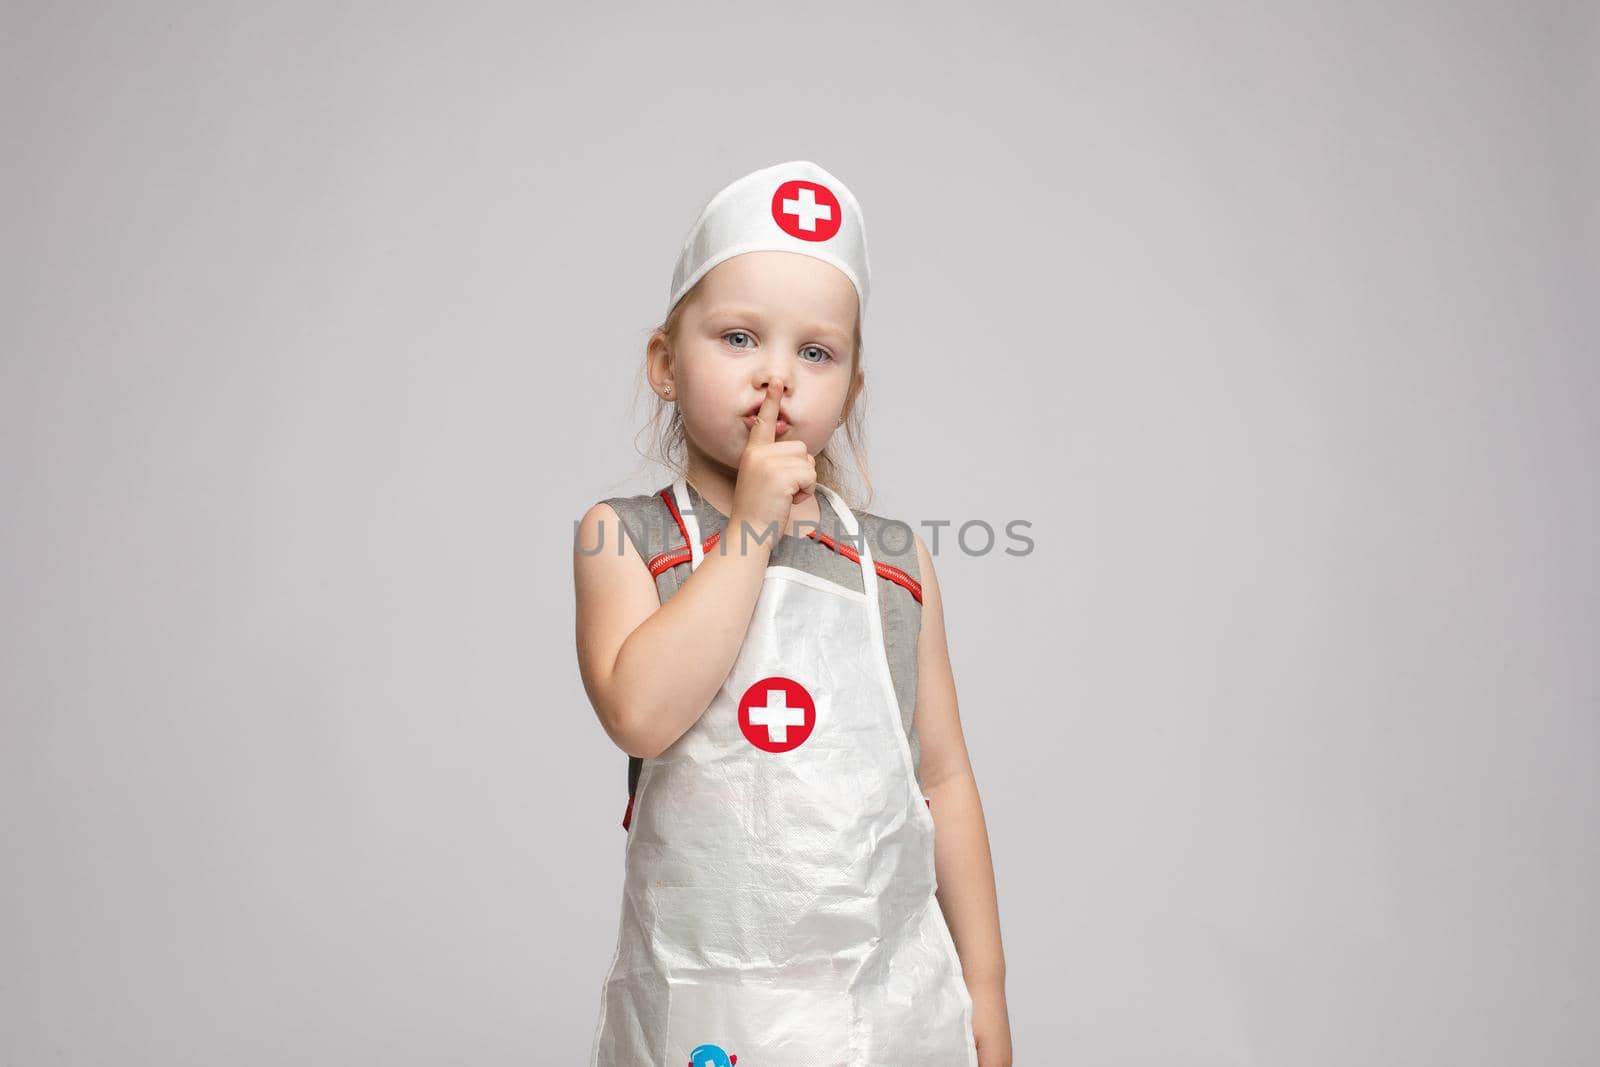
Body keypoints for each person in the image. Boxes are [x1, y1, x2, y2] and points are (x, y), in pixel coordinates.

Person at [573, 160, 1013, 1066]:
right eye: (739, 338)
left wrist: (989, 985)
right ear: (665, 363)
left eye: (815, 353)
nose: (777, 377)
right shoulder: (623, 538)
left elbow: (946, 782)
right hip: (709, 1001)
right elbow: (644, 715)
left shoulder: (895, 563)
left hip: (887, 1001)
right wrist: (751, 528)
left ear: (849, 390)